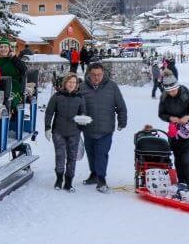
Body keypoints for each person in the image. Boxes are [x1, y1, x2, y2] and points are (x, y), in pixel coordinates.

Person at [79, 63, 128, 193]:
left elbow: (121, 106)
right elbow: (76, 107)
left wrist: (122, 121)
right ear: (89, 74)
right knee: (91, 154)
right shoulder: (82, 87)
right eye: (94, 75)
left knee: (101, 154)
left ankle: (101, 179)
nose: (96, 77)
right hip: (88, 129)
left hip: (105, 129)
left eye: (99, 75)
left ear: (103, 73)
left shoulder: (112, 86)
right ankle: (94, 174)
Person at [158, 74, 189, 189]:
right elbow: (161, 114)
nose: (172, 92)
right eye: (169, 91)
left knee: (185, 158)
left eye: (174, 90)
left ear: (177, 86)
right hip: (175, 132)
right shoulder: (164, 97)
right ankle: (181, 183)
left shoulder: (187, 96)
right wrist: (170, 118)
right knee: (177, 157)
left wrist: (188, 117)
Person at [44, 72, 86, 192]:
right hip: (59, 131)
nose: (71, 84)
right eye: (69, 82)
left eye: (74, 82)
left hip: (74, 132)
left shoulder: (80, 97)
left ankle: (68, 182)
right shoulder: (57, 96)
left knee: (72, 158)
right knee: (60, 156)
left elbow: (83, 113)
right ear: (65, 83)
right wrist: (47, 128)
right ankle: (59, 179)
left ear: (77, 84)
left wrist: (82, 126)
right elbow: (49, 112)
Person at [0, 38, 27, 111]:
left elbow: (24, 69)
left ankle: (10, 113)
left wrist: (14, 58)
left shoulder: (14, 59)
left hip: (13, 85)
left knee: (9, 100)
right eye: (1, 47)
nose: (3, 49)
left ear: (9, 48)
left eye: (5, 47)